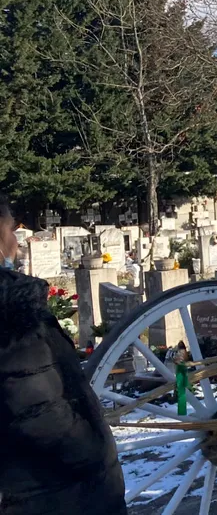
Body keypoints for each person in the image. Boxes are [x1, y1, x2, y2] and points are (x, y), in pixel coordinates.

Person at [0, 198, 127, 515]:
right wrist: (93, 450)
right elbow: (36, 405)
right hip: (57, 491)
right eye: (11, 228)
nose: (16, 240)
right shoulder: (13, 309)